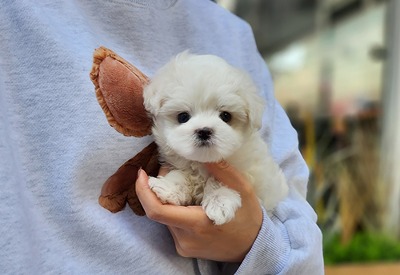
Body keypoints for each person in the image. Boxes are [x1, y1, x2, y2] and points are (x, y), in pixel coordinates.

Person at [0, 0, 324, 274]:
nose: (204, 128)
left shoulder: (233, 33)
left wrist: (256, 241)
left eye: (225, 116)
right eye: (184, 117)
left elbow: (295, 222)